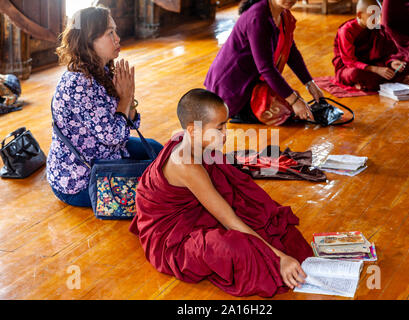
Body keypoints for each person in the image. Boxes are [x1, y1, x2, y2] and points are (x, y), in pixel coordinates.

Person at [129, 89, 314, 297]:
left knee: (263, 215)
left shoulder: (191, 140)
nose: (226, 134)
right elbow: (229, 220)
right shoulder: (187, 165)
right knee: (235, 248)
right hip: (171, 238)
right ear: (193, 130)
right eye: (219, 128)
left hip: (197, 212)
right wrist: (279, 258)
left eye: (225, 124)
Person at [46, 6, 163, 207]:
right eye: (110, 33)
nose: (118, 38)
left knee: (158, 151)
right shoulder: (78, 84)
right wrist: (125, 98)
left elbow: (131, 125)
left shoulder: (102, 70)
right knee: (158, 186)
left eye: (115, 31)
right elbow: (113, 136)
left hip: (108, 153)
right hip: (81, 180)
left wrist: (129, 97)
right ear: (89, 41)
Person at [204, 0, 324, 126]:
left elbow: (291, 53)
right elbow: (266, 68)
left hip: (251, 83)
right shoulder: (258, 18)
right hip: (232, 88)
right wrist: (295, 101)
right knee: (286, 109)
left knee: (291, 103)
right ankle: (239, 112)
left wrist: (310, 84)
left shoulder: (283, 15)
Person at [333, 0, 409, 92]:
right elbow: (349, 62)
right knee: (355, 74)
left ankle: (375, 82)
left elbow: (388, 52)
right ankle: (392, 81)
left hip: (374, 64)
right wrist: (376, 70)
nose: (377, 20)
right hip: (352, 68)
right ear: (359, 15)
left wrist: (392, 62)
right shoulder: (347, 31)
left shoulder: (377, 28)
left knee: (406, 66)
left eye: (379, 15)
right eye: (372, 16)